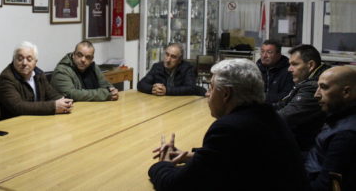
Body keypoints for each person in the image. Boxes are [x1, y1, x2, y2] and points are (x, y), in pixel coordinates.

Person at [148, 59, 308, 191]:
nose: (208, 94)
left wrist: (162, 165)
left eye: (211, 88)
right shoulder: (266, 114)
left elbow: (178, 185)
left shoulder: (229, 128)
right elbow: (235, 160)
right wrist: (192, 157)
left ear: (226, 94)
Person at [306, 66, 356, 191]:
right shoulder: (338, 116)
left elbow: (326, 185)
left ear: (346, 92)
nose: (316, 95)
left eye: (323, 87)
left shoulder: (346, 135)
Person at [0, 41, 73, 119]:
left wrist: (64, 102)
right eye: (20, 58)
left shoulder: (39, 74)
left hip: (34, 121)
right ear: (13, 59)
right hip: (12, 124)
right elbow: (18, 107)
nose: (24, 63)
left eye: (29, 59)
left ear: (35, 62)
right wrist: (53, 106)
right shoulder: (5, 79)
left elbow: (52, 95)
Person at [275, 44, 329, 153]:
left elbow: (285, 117)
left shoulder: (314, 86)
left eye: (294, 64)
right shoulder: (306, 81)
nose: (289, 69)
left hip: (305, 148)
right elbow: (282, 104)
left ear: (311, 65)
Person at [51, 40, 118, 101]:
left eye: (88, 57)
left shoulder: (93, 66)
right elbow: (71, 94)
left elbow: (106, 85)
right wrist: (104, 94)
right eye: (79, 55)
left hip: (91, 108)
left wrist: (112, 91)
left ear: (92, 59)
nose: (83, 60)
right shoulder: (62, 70)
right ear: (73, 55)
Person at [137, 43, 202, 96]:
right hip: (161, 104)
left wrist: (167, 91)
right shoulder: (157, 67)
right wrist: (153, 89)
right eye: (167, 54)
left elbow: (191, 88)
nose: (168, 60)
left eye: (173, 57)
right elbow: (141, 84)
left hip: (181, 104)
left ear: (180, 60)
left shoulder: (188, 68)